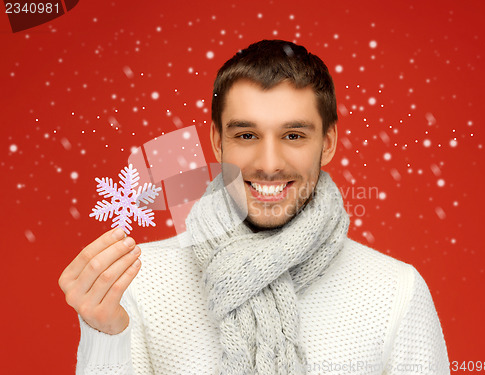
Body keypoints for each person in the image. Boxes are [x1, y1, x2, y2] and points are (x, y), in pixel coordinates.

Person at [59, 39, 450, 374]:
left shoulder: (396, 289)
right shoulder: (139, 280)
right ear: (217, 142)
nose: (268, 163)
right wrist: (104, 338)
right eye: (246, 134)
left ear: (328, 143)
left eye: (293, 135)